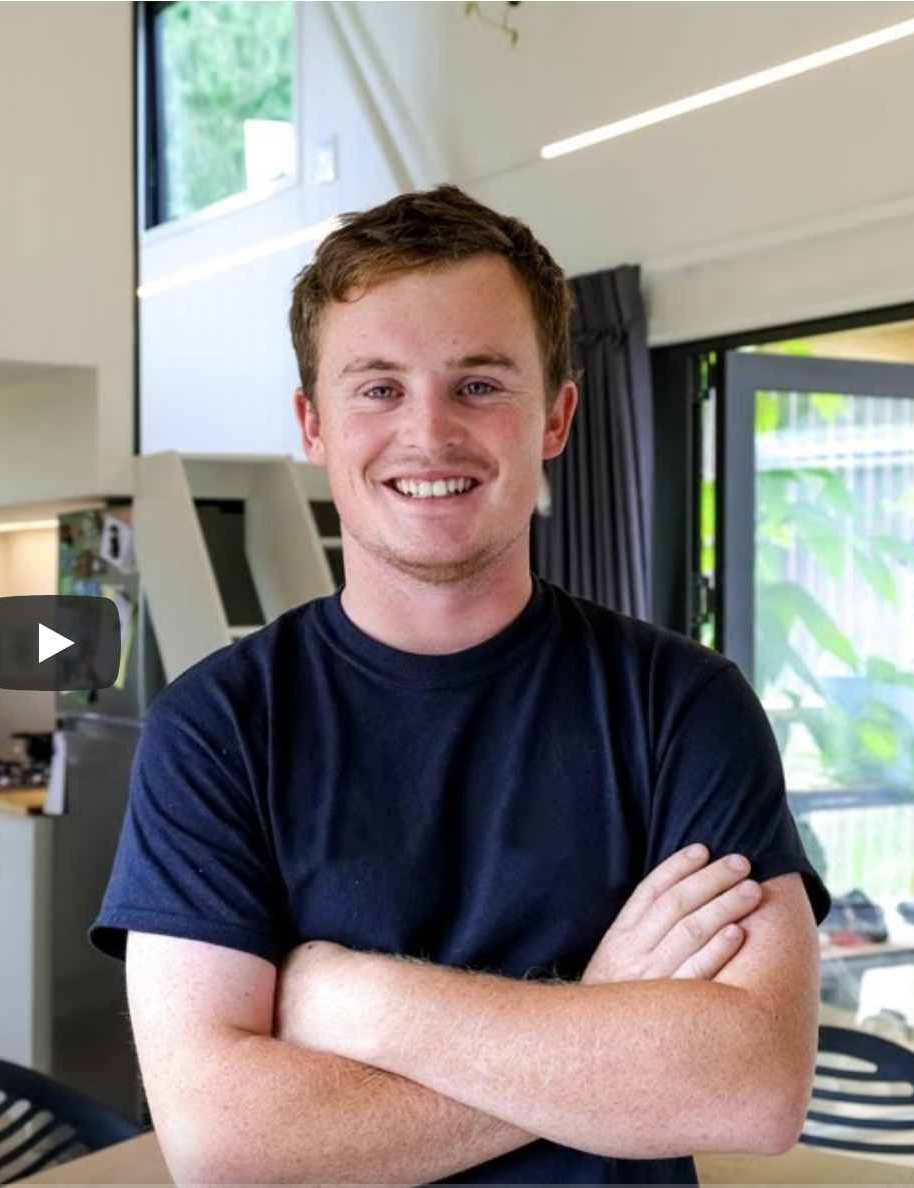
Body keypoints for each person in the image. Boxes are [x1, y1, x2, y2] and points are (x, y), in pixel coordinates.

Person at [91, 185, 830, 1184]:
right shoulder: (215, 729)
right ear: (313, 424)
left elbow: (750, 1085)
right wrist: (597, 1010)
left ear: (555, 417)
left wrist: (357, 1002)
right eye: (378, 387)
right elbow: (226, 1146)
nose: (428, 432)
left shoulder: (682, 705)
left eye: (479, 384)